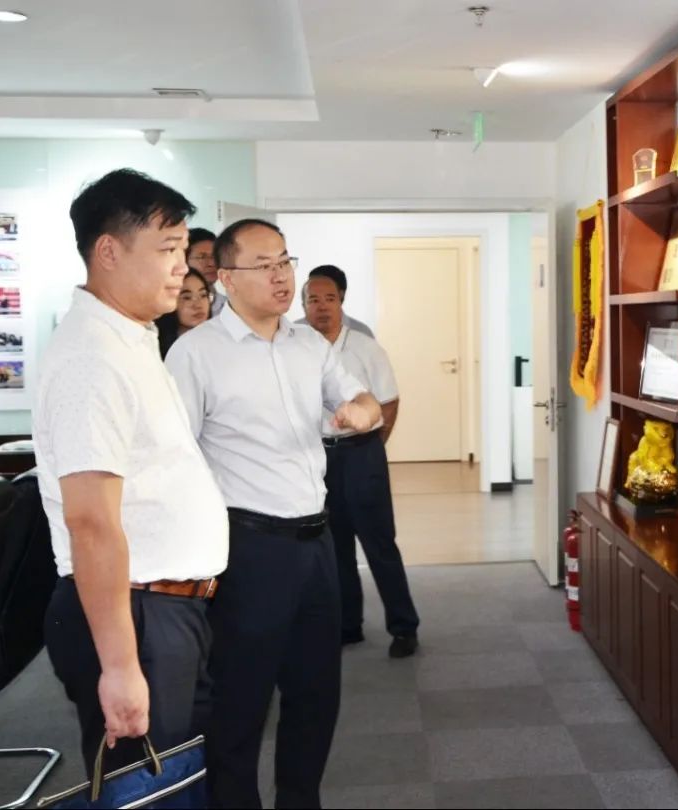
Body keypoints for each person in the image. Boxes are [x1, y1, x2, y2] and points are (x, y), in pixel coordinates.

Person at [166, 218, 381, 809]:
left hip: (317, 542)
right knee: (242, 699)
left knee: (317, 693)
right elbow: (175, 458)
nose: (282, 276)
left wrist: (361, 413)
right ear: (226, 278)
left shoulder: (308, 344)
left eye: (285, 261)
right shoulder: (196, 354)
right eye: (264, 266)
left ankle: (299, 800)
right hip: (249, 547)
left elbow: (362, 398)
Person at [34, 169, 228, 775]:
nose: (182, 267)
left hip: (164, 609)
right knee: (144, 787)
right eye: (168, 249)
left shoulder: (130, 338)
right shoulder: (92, 358)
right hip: (137, 614)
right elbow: (91, 522)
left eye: (184, 249)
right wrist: (120, 667)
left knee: (176, 781)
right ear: (109, 252)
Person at [303, 273, 420, 657]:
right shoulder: (296, 346)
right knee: (334, 546)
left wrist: (371, 446)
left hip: (361, 453)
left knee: (379, 543)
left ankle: (404, 627)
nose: (321, 307)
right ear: (303, 306)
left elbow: (388, 401)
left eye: (329, 299)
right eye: (313, 300)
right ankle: (348, 625)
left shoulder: (365, 347)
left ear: (341, 302)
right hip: (319, 457)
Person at [295, 265, 374, 337]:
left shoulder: (362, 332)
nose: (322, 307)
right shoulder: (294, 332)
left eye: (329, 298)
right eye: (315, 300)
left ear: (341, 295)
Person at [155, 268, 212, 359]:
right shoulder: (153, 347)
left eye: (203, 295)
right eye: (187, 297)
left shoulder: (218, 342)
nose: (198, 305)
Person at [187, 227, 225, 315]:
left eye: (215, 256)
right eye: (202, 257)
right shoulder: (169, 307)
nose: (212, 263)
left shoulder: (230, 308)